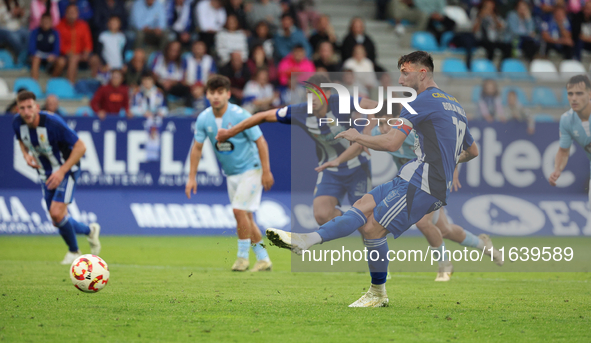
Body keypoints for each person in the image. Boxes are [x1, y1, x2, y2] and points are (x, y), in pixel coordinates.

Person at [265, 51, 479, 307]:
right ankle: (307, 240)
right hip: (413, 173)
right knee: (362, 207)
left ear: (422, 73)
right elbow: (473, 151)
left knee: (372, 228)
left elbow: (391, 142)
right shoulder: (455, 104)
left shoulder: (420, 102)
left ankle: (378, 293)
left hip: (424, 182)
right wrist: (449, 159)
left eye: (405, 72)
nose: (400, 79)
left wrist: (358, 136)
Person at [316, 112, 503, 281]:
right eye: (380, 125)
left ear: (397, 121)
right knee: (445, 230)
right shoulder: (380, 132)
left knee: (423, 223)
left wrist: (453, 171)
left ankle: (445, 265)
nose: (383, 129)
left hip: (430, 184)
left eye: (387, 124)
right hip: (409, 186)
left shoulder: (412, 135)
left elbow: (447, 149)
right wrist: (338, 161)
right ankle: (482, 243)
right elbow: (359, 145)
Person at [216, 73, 380, 226]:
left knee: (367, 222)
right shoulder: (300, 111)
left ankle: (367, 226)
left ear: (328, 94)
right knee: (322, 215)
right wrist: (231, 132)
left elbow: (373, 106)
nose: (312, 98)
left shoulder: (341, 102)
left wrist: (367, 132)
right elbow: (264, 116)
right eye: (309, 93)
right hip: (330, 168)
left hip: (358, 166)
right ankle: (353, 220)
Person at [185, 75, 274, 272]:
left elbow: (261, 141)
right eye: (212, 92)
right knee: (247, 218)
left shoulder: (240, 115)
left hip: (251, 169)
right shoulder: (204, 118)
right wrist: (191, 177)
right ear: (206, 94)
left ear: (228, 94)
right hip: (231, 173)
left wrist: (266, 171)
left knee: (238, 211)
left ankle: (242, 258)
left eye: (220, 92)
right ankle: (264, 258)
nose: (216, 96)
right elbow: (197, 148)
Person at [12, 91, 101, 264]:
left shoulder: (53, 123)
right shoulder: (17, 122)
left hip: (67, 170)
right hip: (46, 174)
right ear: (18, 109)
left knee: (56, 212)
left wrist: (61, 171)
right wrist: (25, 155)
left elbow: (81, 147)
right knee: (57, 219)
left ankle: (74, 251)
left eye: (30, 107)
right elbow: (21, 139)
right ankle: (90, 231)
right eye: (22, 108)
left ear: (37, 107)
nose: (27, 112)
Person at [549, 74, 591, 234]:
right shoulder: (567, 120)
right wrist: (557, 169)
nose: (574, 98)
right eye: (570, 94)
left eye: (579, 93)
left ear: (589, 95)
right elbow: (564, 150)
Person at [54, 4, 96, 83]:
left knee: (95, 59)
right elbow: (58, 43)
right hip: (66, 55)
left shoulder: (83, 25)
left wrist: (86, 52)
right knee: (73, 59)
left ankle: (94, 84)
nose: (72, 14)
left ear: (78, 14)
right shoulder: (59, 26)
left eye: (74, 12)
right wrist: (67, 52)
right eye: (70, 12)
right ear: (66, 14)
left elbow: (88, 42)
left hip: (81, 55)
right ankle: (71, 85)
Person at [29, 13, 60, 80]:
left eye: (48, 21)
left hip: (50, 57)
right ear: (41, 22)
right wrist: (37, 54)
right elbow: (31, 49)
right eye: (44, 21)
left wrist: (54, 55)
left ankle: (52, 82)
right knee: (35, 59)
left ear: (51, 22)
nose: (46, 23)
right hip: (38, 56)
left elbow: (57, 50)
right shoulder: (35, 32)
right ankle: (35, 83)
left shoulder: (55, 33)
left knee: (61, 62)